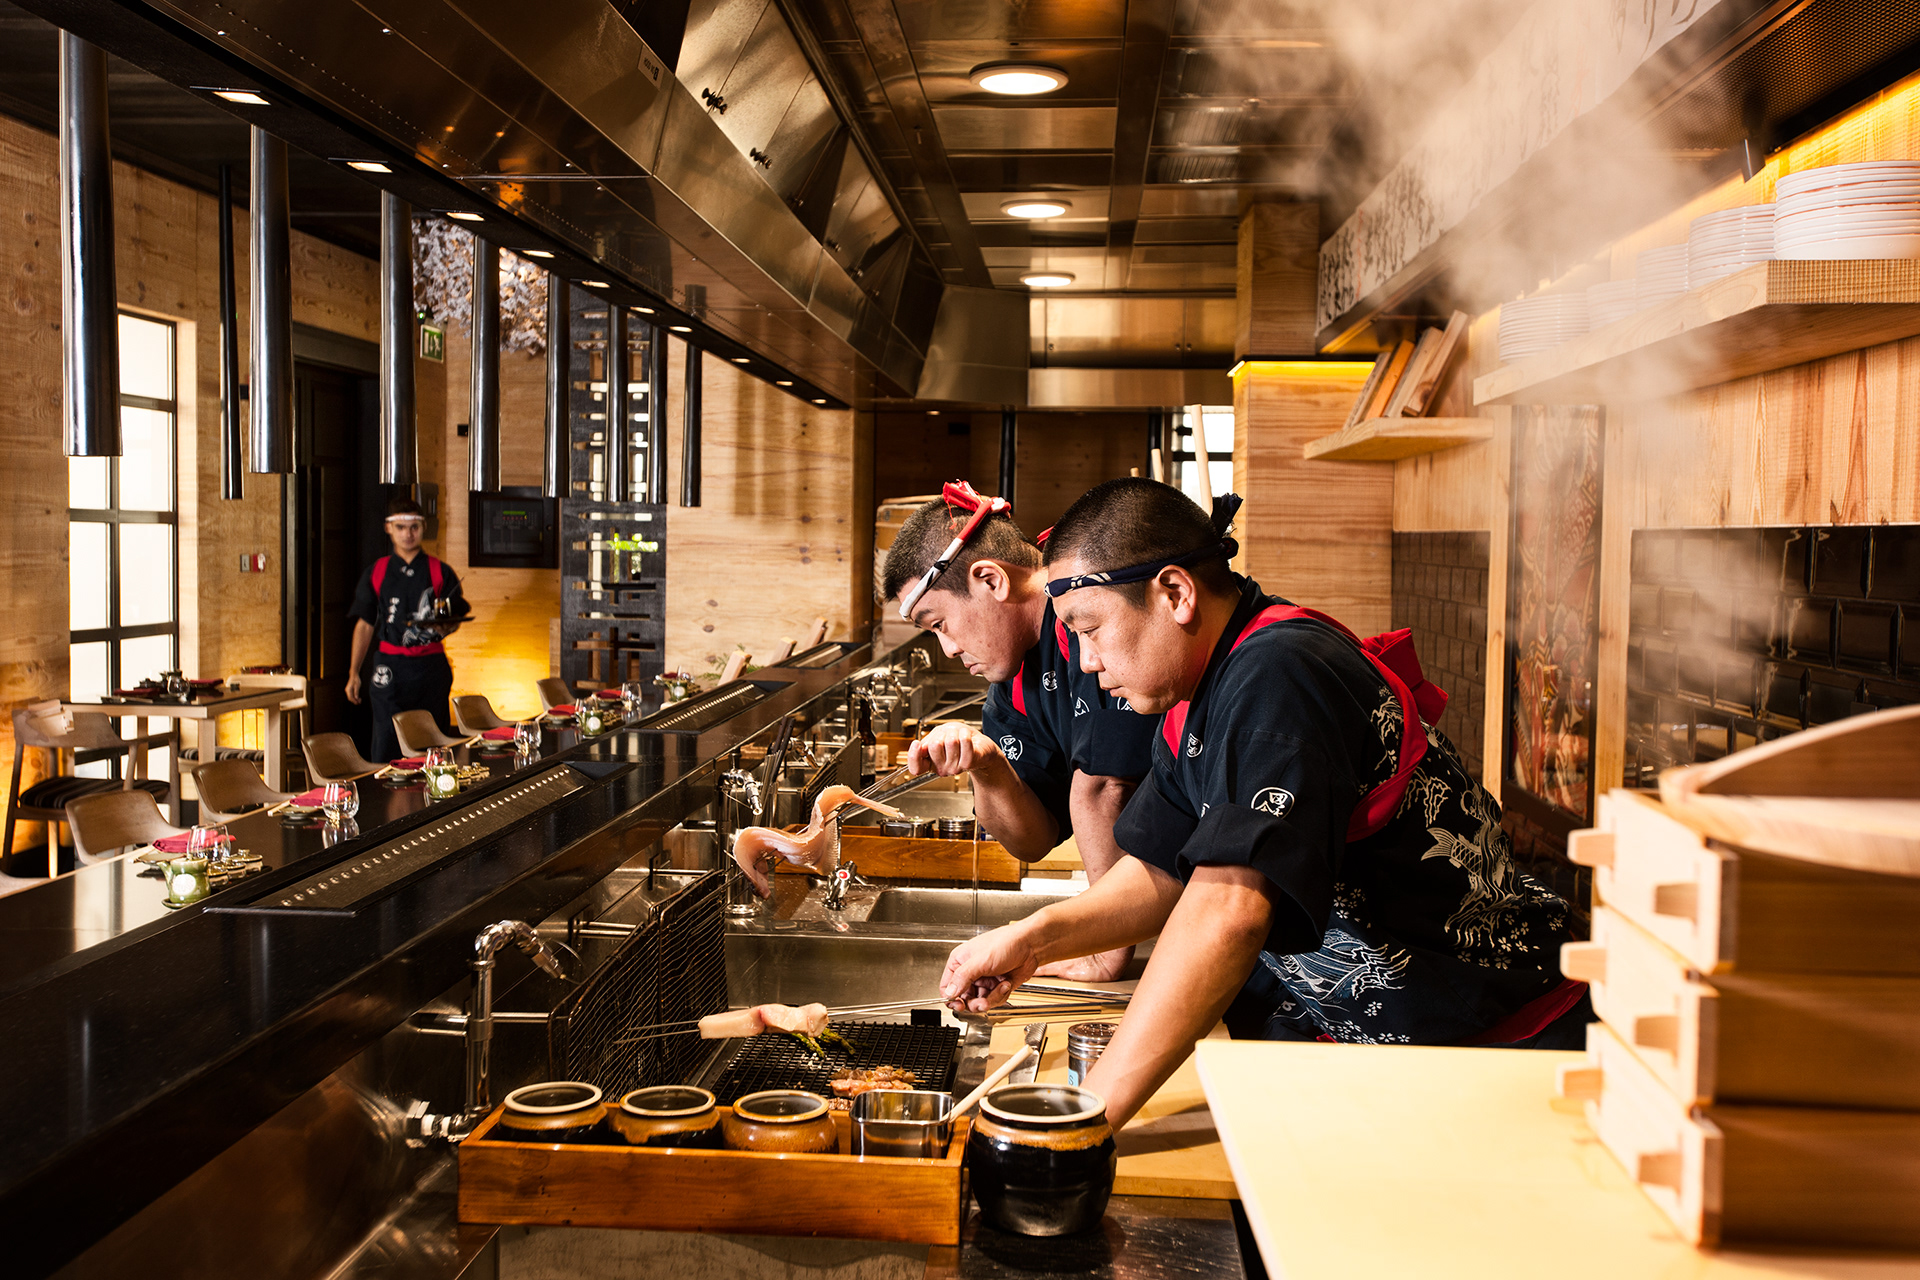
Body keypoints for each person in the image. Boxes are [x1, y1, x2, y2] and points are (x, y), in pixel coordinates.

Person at [941, 478, 1582, 1128]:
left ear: (1174, 594)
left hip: (1511, 1050)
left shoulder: (1281, 674)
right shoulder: (1201, 693)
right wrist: (1033, 940)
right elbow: (1163, 871)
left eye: (1091, 629)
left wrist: (1084, 1119)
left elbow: (1230, 910)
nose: (1085, 661)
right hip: (1406, 1052)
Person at [879, 481, 1159, 980]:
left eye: (939, 622)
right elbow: (1032, 841)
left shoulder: (1086, 612)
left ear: (990, 580)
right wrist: (987, 767)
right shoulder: (1009, 683)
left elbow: (1102, 787)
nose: (945, 648)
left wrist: (1104, 950)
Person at [345, 497, 472, 761]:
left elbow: (454, 617)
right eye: (400, 527)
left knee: (432, 739)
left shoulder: (440, 571)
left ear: (423, 527)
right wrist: (353, 672)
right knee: (386, 737)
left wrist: (446, 627)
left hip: (430, 666)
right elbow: (365, 624)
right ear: (388, 528)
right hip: (389, 667)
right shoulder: (377, 572)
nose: (408, 534)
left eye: (413, 527)